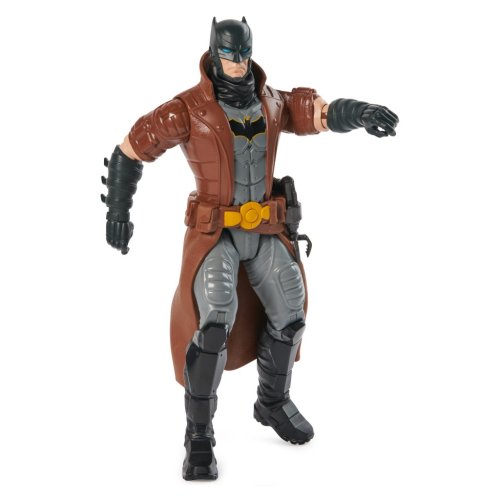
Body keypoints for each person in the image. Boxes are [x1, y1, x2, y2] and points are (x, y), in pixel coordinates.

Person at [102, 17, 399, 481]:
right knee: (213, 322)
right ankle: (199, 434)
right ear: (214, 54)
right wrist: (118, 211)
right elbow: (131, 149)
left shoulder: (271, 102)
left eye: (244, 55)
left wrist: (359, 113)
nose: (238, 64)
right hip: (215, 234)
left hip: (264, 230)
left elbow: (317, 112)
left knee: (292, 309)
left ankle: (271, 402)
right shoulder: (187, 110)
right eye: (229, 56)